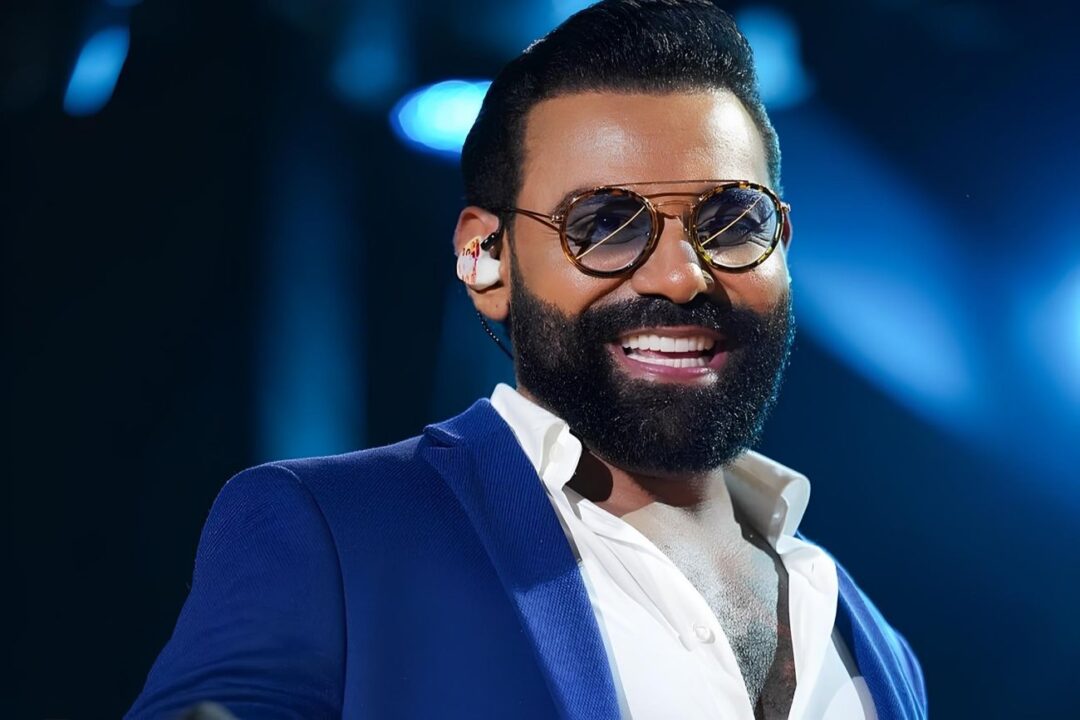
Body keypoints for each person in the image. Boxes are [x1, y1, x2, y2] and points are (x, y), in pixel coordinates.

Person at [126, 1, 927, 718]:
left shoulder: (869, 640)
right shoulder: (332, 530)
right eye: (605, 223)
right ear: (486, 261)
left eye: (734, 220)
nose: (683, 276)